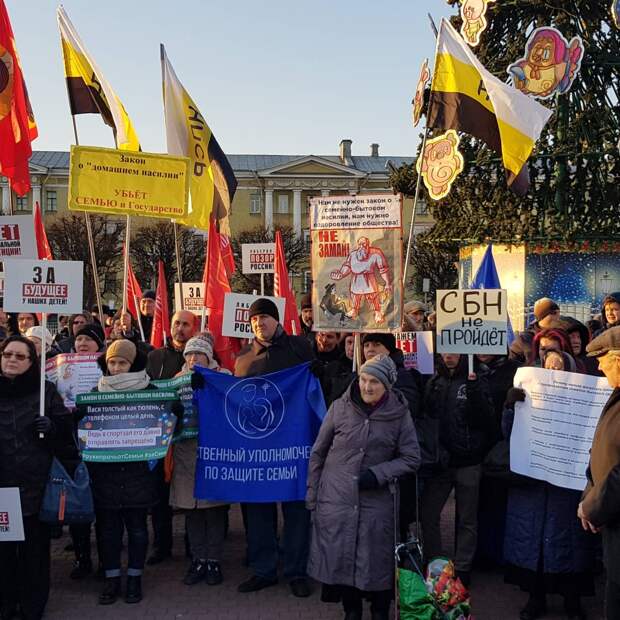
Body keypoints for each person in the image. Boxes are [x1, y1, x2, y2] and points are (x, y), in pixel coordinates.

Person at [306, 354, 420, 620]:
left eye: (375, 382)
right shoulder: (339, 407)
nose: (367, 387)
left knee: (375, 561)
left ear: (388, 385)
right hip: (337, 498)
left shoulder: (399, 414)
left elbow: (412, 457)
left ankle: (380, 610)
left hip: (377, 501)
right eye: (364, 380)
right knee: (342, 557)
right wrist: (312, 496)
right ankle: (351, 609)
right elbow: (318, 453)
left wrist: (380, 473)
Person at [503, 350, 596, 620]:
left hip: (567, 487)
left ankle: (572, 601)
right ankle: (536, 598)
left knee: (570, 544)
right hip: (533, 484)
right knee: (535, 545)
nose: (553, 369)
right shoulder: (528, 395)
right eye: (548, 364)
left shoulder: (583, 400)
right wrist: (510, 408)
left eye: (559, 365)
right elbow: (508, 434)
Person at [234, 298, 315, 596]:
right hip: (258, 451)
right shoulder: (243, 358)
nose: (259, 323)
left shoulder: (300, 348)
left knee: (296, 511)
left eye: (265, 318)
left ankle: (296, 571)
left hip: (293, 447)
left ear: (277, 320)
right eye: (255, 319)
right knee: (258, 513)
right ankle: (263, 570)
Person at [0, 336, 79, 620]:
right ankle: (7, 602)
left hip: (36, 484)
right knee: (4, 551)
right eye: (7, 354)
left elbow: (67, 436)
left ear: (32, 362)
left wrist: (53, 427)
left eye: (20, 356)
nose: (11, 359)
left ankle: (33, 605)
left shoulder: (44, 392)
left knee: (34, 551)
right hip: (3, 488)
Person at [87, 340, 158, 605]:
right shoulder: (96, 391)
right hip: (105, 473)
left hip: (139, 472)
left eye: (122, 362)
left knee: (138, 529)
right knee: (108, 531)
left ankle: (135, 578)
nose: (116, 368)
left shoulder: (149, 391)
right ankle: (112, 578)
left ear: (133, 364)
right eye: (112, 362)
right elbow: (84, 426)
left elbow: (167, 419)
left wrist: (171, 410)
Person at [419, 353, 494, 586]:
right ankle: (435, 563)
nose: (449, 355)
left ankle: (463, 567)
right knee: (429, 513)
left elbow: (487, 419)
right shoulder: (435, 381)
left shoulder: (478, 377)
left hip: (469, 460)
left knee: (467, 518)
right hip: (441, 462)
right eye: (444, 350)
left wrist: (474, 392)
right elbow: (427, 418)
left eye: (454, 350)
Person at [170, 334, 230, 586]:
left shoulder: (224, 376)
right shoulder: (176, 379)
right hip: (185, 453)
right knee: (192, 511)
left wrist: (207, 385)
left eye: (199, 354)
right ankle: (198, 559)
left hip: (213, 452)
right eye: (189, 354)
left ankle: (214, 560)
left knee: (213, 511)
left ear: (209, 356)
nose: (193, 358)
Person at [145, 310, 198, 565]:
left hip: (190, 437)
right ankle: (162, 545)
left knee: (190, 491)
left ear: (194, 328)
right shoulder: (155, 357)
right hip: (162, 437)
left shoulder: (202, 358)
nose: (180, 328)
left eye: (186, 324)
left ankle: (192, 544)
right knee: (159, 493)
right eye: (176, 323)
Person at [580, 327, 620, 620]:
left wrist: (593, 505)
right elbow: (600, 454)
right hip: (611, 518)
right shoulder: (616, 395)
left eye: (603, 358)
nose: (598, 364)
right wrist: (589, 499)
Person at [475, 352, 521, 567]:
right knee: (474, 505)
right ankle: (478, 554)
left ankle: (497, 554)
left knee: (497, 503)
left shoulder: (515, 370)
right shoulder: (467, 367)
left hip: (502, 448)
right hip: (474, 447)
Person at [510, 297, 561, 363]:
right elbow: (512, 363)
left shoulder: (562, 335)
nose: (558, 317)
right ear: (542, 316)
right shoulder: (524, 339)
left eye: (559, 313)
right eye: (554, 313)